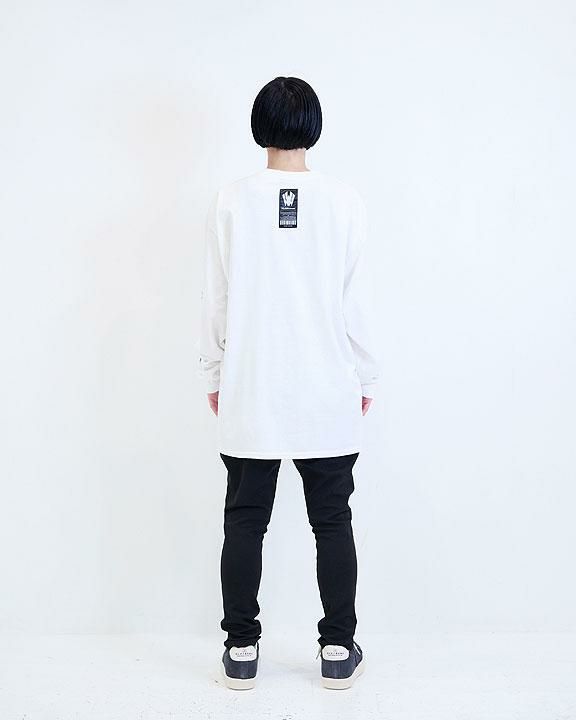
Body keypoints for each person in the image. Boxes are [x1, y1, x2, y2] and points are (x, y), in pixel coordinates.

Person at [198, 76, 379, 690]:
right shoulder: (344, 201)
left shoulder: (231, 200)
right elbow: (357, 302)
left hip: (252, 384)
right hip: (327, 386)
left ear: (260, 125)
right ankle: (338, 649)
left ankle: (241, 651)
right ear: (313, 126)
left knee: (245, 519)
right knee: (332, 520)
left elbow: (216, 300)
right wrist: (366, 373)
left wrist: (213, 371)